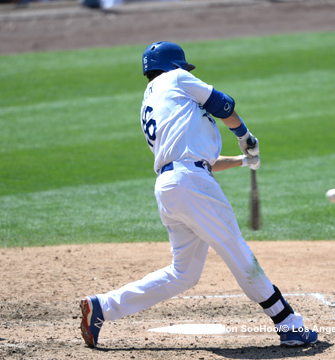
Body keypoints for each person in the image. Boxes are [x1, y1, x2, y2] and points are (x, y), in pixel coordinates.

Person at [80, 41, 318, 348]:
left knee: (184, 274)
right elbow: (224, 104)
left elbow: (198, 160)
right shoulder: (176, 79)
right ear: (172, 65)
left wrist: (244, 160)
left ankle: (102, 307)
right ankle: (287, 323)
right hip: (189, 184)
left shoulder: (154, 101)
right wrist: (245, 136)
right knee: (236, 249)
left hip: (172, 188)